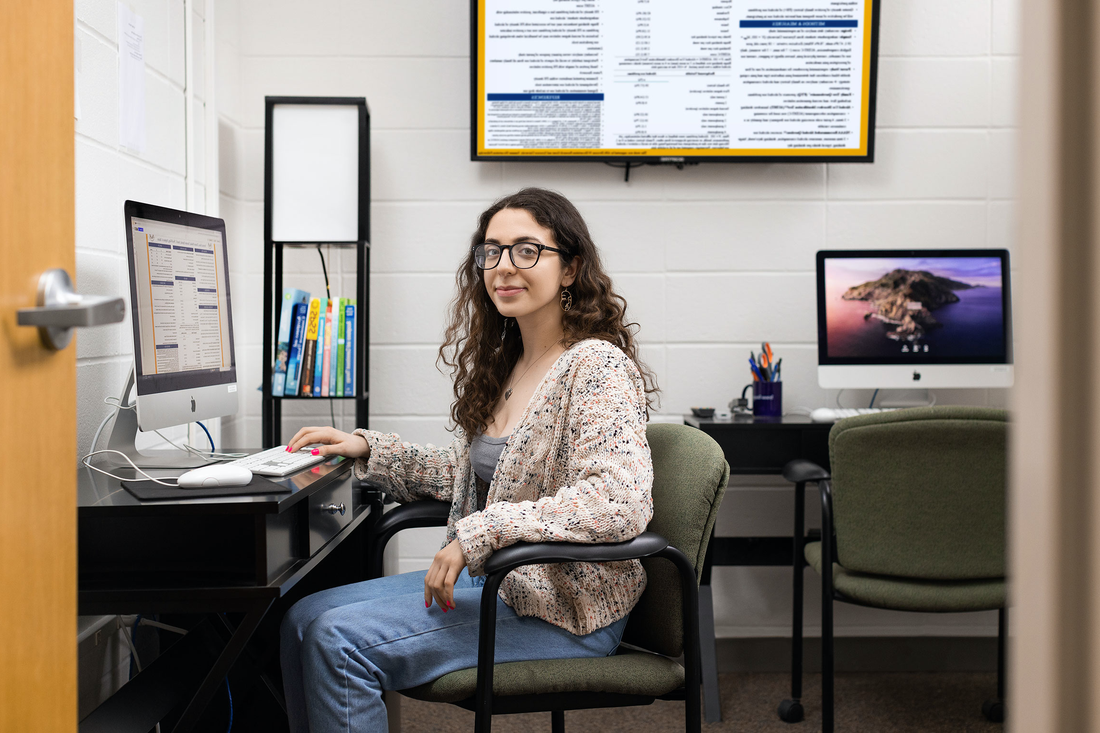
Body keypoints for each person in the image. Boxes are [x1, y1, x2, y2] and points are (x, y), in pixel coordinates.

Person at [280, 187, 659, 732]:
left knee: (336, 641)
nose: (504, 266)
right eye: (492, 251)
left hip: (564, 609)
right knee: (300, 618)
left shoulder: (595, 367)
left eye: (527, 250)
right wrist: (372, 449)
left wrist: (481, 534)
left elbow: (618, 501)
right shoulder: (513, 361)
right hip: (504, 583)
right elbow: (479, 477)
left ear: (571, 268)